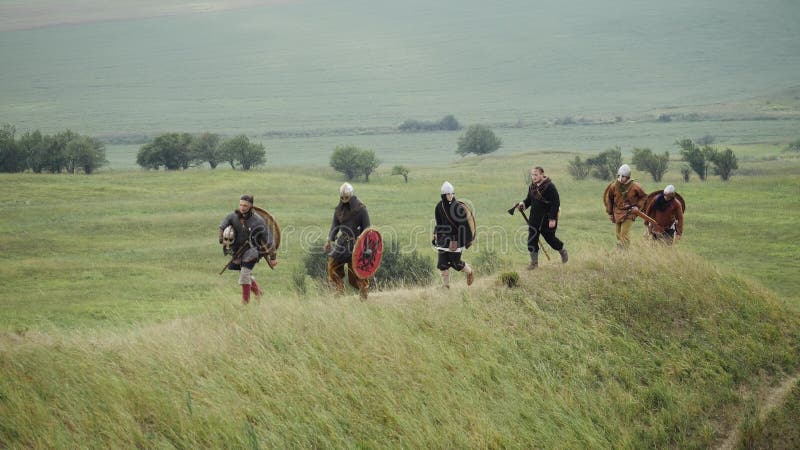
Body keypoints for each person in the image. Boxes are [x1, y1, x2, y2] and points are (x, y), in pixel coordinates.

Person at [219, 194, 277, 304]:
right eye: (241, 204)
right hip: (237, 251)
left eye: (245, 205)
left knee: (244, 275)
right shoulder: (233, 216)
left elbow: (268, 239)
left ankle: (245, 303)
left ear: (250, 206)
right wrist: (221, 235)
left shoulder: (258, 221)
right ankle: (258, 293)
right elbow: (223, 224)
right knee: (244, 274)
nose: (242, 207)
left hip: (251, 251)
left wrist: (273, 257)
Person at [324, 182, 371, 300]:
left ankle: (363, 289)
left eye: (346, 197)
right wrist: (329, 239)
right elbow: (335, 226)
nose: (344, 200)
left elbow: (367, 228)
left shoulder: (361, 209)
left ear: (351, 195)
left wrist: (362, 242)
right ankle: (339, 288)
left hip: (356, 244)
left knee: (355, 275)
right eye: (342, 197)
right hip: (342, 243)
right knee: (332, 265)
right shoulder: (339, 210)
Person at [516, 166, 568, 270]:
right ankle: (534, 264)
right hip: (534, 219)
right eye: (532, 175)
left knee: (551, 240)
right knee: (531, 240)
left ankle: (562, 251)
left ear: (542, 174)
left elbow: (556, 203)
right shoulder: (532, 186)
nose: (533, 177)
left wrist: (552, 219)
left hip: (547, 219)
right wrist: (523, 204)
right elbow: (529, 200)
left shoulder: (550, 186)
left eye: (536, 174)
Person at [433, 181, 475, 288]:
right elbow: (439, 223)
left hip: (456, 240)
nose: (450, 196)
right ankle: (446, 287)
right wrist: (435, 234)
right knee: (442, 265)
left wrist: (459, 241)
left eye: (452, 194)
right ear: (443, 195)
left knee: (455, 263)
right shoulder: (439, 207)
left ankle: (469, 272)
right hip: (443, 240)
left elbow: (464, 227)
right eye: (448, 194)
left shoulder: (458, 208)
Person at [604, 164, 648, 249]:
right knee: (618, 233)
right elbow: (610, 199)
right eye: (619, 176)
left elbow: (644, 196)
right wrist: (610, 213)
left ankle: (625, 251)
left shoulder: (635, 186)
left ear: (628, 177)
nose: (621, 178)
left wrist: (638, 207)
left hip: (630, 212)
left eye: (623, 176)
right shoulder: (614, 186)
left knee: (624, 233)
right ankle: (621, 249)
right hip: (617, 212)